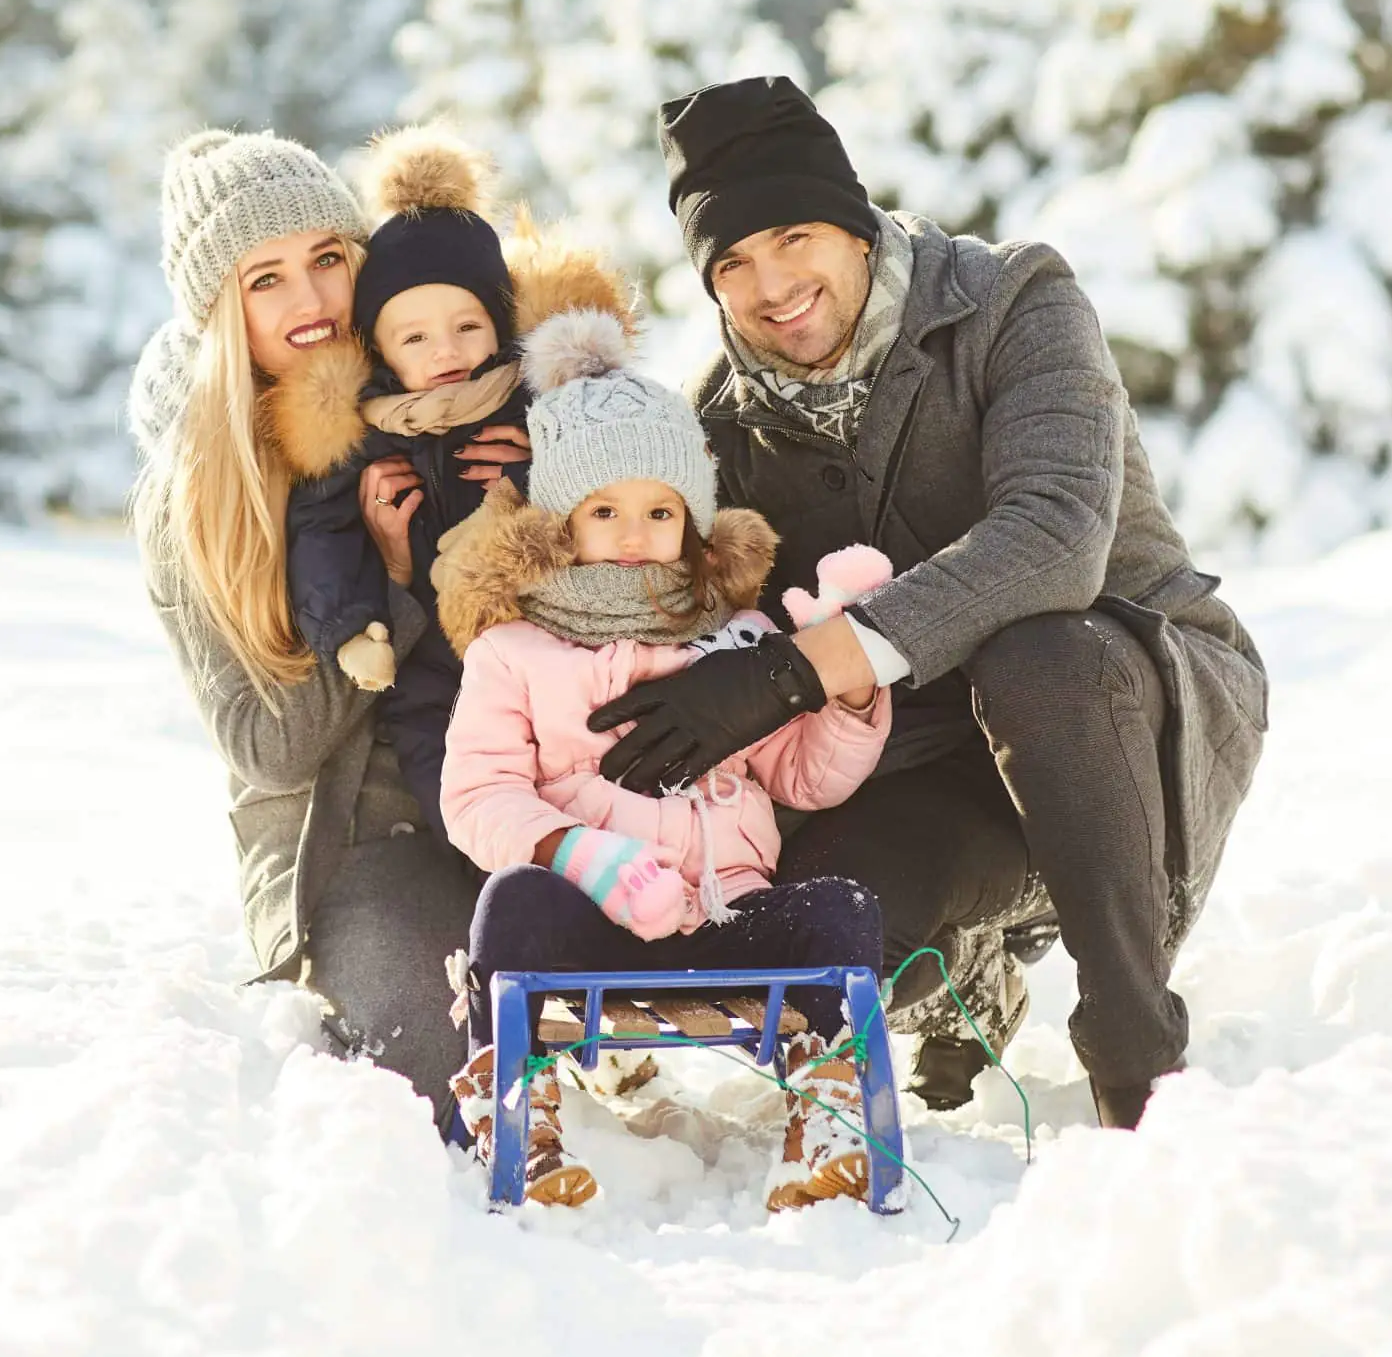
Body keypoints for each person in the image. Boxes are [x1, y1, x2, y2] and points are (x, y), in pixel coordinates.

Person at [588, 76, 1271, 1130]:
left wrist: (787, 673)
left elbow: (1054, 541)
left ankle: (1135, 1049)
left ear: (857, 228)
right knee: (827, 939)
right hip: (909, 753)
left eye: (794, 238)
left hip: (1114, 701)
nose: (771, 286)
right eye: (731, 264)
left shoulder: (1011, 305)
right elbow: (655, 589)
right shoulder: (720, 423)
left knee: (1038, 655)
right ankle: (971, 961)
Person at [428, 307, 892, 1210]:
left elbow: (805, 775)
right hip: (594, 924)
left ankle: (828, 1119)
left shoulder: (742, 640)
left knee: (843, 910)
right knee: (508, 903)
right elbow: (478, 793)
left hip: (729, 918)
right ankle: (511, 1106)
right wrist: (581, 855)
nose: (634, 530)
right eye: (604, 510)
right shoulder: (515, 651)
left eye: (659, 509)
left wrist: (850, 687)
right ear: (562, 523)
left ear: (695, 521)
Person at [127, 127, 515, 1130]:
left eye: (328, 261)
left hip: (495, 789)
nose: (309, 303)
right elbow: (272, 749)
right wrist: (392, 582)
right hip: (342, 838)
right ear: (221, 309)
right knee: (441, 1075)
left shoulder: (441, 388)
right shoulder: (196, 490)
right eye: (266, 280)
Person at [275, 125, 631, 839]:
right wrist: (349, 626)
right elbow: (323, 531)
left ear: (499, 325)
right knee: (450, 782)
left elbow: (621, 474)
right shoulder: (365, 434)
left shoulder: (538, 405)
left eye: (467, 325)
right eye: (415, 337)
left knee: (586, 760)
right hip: (436, 658)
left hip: (553, 638)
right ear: (380, 350)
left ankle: (608, 862)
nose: (446, 351)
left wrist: (536, 466)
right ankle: (500, 869)